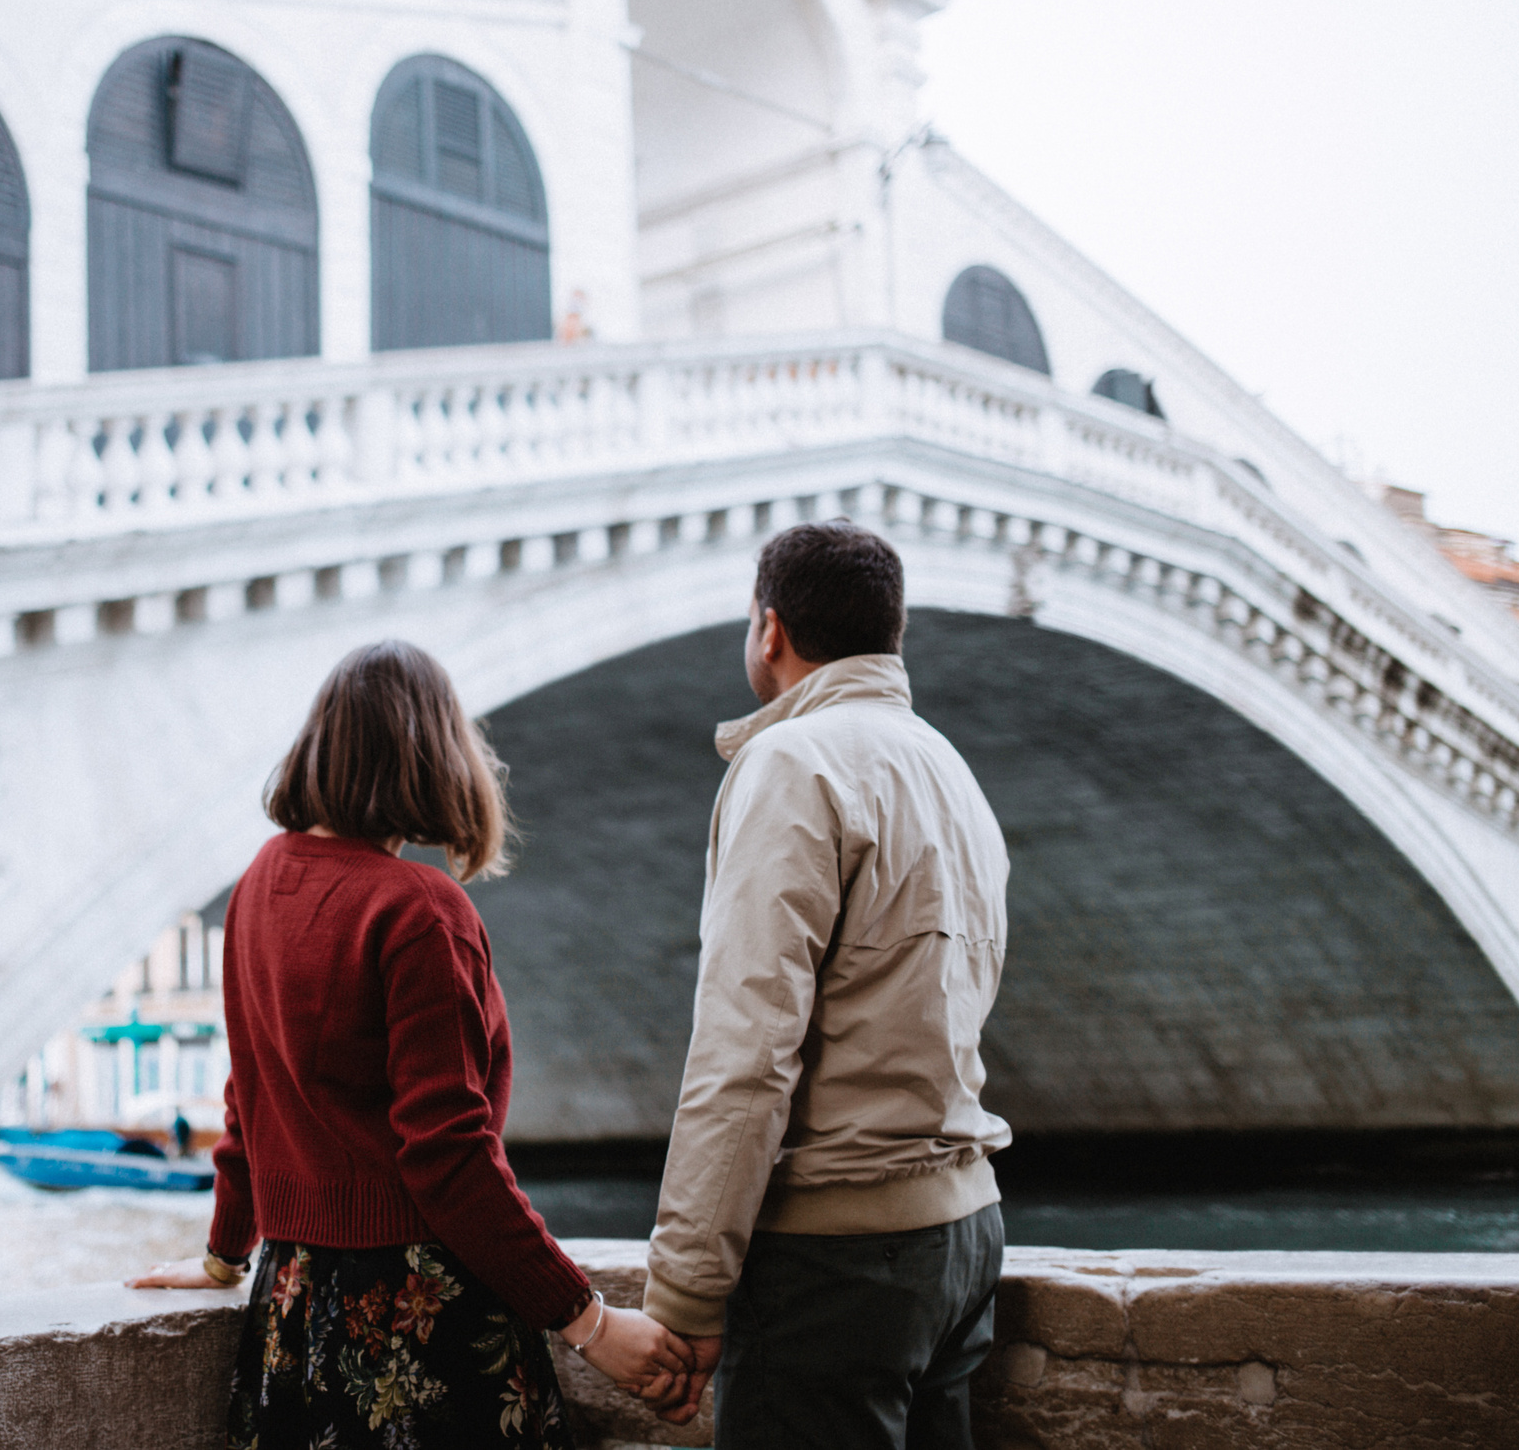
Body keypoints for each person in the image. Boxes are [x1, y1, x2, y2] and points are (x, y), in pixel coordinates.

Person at [133, 640, 696, 1447]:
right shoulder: (418, 909)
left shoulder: (258, 881)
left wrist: (226, 1254)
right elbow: (449, 1154)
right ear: (435, 754)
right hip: (422, 1315)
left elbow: (247, 1097)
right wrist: (593, 1325)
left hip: (293, 1311)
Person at [643, 522, 1011, 1447]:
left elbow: (747, 1048)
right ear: (892, 631)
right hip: (964, 1235)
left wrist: (685, 1289)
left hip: (835, 1260)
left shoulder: (792, 763)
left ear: (770, 629)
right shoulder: (951, 769)